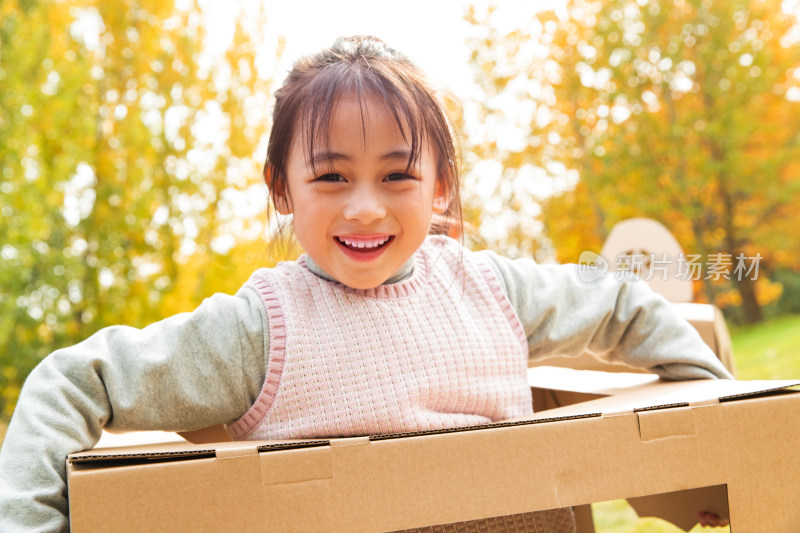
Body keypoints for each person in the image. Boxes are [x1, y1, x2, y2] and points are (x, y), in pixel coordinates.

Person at [0, 35, 732, 532]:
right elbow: (71, 381)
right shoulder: (262, 327)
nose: (364, 205)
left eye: (396, 174)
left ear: (440, 186)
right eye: (330, 176)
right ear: (281, 189)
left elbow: (622, 305)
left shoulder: (489, 288)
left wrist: (717, 424)